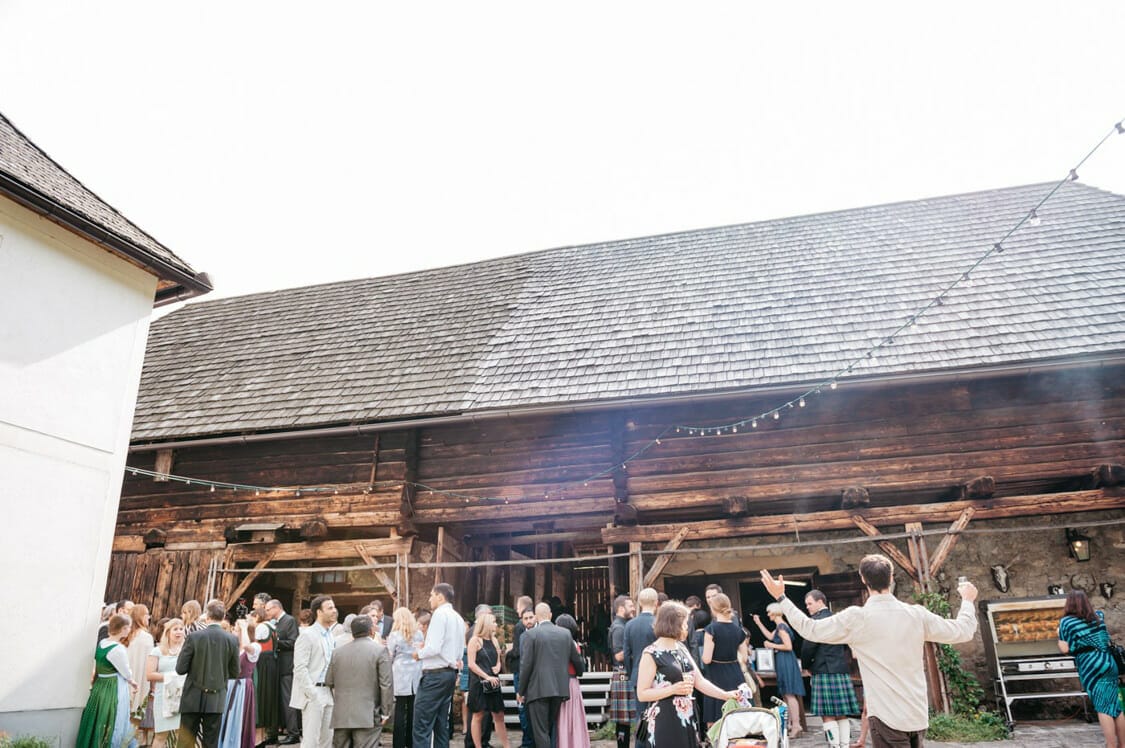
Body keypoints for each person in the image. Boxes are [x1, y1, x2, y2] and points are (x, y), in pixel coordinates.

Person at [761, 555, 978, 748]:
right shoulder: (916, 614)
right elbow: (963, 631)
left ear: (863, 580)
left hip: (886, 717)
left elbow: (810, 629)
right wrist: (967, 601)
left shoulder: (858, 618)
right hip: (917, 714)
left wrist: (782, 598)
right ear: (891, 578)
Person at [635, 601, 739, 748]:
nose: (687, 627)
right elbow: (642, 693)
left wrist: (726, 695)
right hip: (664, 720)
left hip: (687, 717)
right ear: (674, 623)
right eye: (684, 623)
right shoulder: (650, 653)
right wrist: (672, 689)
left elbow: (700, 682)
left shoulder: (681, 648)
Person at [1057, 589, 1125, 747]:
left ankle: (1111, 745)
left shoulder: (1066, 622)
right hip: (1108, 661)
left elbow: (1066, 649)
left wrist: (1059, 635)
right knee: (1115, 705)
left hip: (1092, 665)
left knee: (1103, 707)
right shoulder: (1099, 617)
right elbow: (1105, 638)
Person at [517, 602, 586, 748]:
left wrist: (521, 690)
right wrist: (579, 671)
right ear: (550, 615)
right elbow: (577, 661)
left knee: (541, 732)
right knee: (549, 729)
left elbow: (526, 665)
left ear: (536, 616)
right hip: (560, 689)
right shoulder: (565, 634)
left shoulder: (531, 635)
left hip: (538, 690)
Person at [176, 599, 242, 748]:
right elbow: (234, 672)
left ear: (207, 616)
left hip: (192, 696)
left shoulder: (194, 637)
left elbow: (180, 669)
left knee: (185, 742)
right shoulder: (232, 639)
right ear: (224, 616)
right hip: (216, 697)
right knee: (211, 743)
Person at [324, 615, 394, 748]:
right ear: (371, 631)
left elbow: (329, 680)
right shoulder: (379, 651)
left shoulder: (337, 652)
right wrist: (386, 712)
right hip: (368, 714)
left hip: (341, 714)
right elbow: (386, 684)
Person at [802, 590, 860, 748]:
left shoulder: (815, 621)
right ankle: (845, 745)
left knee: (827, 714)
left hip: (823, 670)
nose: (807, 607)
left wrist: (806, 666)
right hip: (840, 669)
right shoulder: (838, 619)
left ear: (820, 601)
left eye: (810, 603)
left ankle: (834, 746)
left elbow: (808, 648)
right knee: (841, 714)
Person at [412, 583, 466, 748]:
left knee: (421, 724)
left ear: (440, 597)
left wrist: (418, 654)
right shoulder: (457, 617)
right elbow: (458, 649)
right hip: (449, 673)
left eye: (431, 595)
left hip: (435, 674)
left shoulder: (439, 614)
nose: (429, 599)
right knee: (441, 724)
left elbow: (434, 647)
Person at [77, 612, 139, 748]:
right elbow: (126, 672)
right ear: (122, 629)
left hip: (100, 686)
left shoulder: (102, 643)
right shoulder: (118, 649)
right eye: (128, 627)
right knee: (113, 719)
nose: (129, 630)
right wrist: (133, 682)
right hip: (112, 688)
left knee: (97, 717)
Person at [292, 595, 339, 748]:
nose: (334, 611)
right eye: (330, 608)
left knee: (326, 742)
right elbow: (299, 668)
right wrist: (312, 694)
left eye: (334, 607)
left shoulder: (331, 636)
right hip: (313, 693)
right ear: (319, 612)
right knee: (311, 742)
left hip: (329, 692)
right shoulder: (307, 635)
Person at [751, 604, 804, 739]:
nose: (768, 615)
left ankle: (796, 725)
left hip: (786, 660)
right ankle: (792, 724)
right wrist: (759, 623)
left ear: (775, 612)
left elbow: (788, 646)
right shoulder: (779, 626)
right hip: (783, 660)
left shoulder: (781, 627)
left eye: (769, 612)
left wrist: (771, 645)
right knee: (786, 695)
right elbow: (769, 635)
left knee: (790, 694)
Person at [700, 593, 747, 730]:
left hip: (716, 675)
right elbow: (744, 657)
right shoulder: (739, 631)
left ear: (713, 609)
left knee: (715, 719)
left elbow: (707, 659)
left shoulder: (711, 629)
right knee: (738, 715)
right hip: (736, 674)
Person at [218, 612, 264, 748]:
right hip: (228, 685)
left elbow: (246, 646)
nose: (233, 631)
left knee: (237, 718)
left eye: (236, 630)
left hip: (241, 687)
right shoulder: (233, 647)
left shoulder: (255, 647)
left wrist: (243, 628)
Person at [467, 611, 510, 748]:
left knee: (499, 715)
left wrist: (497, 666)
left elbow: (497, 659)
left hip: (493, 682)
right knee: (478, 715)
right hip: (479, 683)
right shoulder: (474, 640)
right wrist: (487, 676)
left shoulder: (494, 640)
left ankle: (507, 746)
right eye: (494, 622)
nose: (496, 624)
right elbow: (471, 664)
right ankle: (478, 746)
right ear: (486, 624)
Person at [266, 598, 303, 745]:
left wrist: (275, 642)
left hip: (287, 667)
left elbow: (294, 642)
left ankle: (293, 733)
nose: (267, 612)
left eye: (268, 610)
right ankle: (273, 732)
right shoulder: (273, 623)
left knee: (288, 701)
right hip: (276, 667)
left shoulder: (289, 621)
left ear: (276, 608)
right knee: (275, 702)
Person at [387, 607, 423, 748]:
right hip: (415, 672)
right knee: (414, 709)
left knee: (400, 709)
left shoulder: (394, 635)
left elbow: (390, 655)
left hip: (400, 673)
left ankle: (399, 743)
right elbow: (420, 652)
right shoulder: (419, 634)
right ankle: (411, 741)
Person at [146, 618, 186, 748]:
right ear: (168, 632)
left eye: (181, 629)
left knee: (182, 735)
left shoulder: (187, 651)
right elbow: (149, 674)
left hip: (182, 696)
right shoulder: (157, 651)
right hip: (163, 697)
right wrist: (172, 677)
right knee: (161, 735)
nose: (179, 632)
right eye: (175, 629)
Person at [623, 588, 659, 730]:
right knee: (659, 715)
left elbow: (626, 654)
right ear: (656, 603)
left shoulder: (630, 625)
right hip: (659, 674)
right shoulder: (659, 623)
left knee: (641, 716)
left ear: (639, 603)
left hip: (638, 674)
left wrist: (632, 672)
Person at [554, 615, 590, 748]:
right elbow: (580, 668)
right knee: (573, 717)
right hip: (571, 681)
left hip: (560, 682)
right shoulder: (573, 644)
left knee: (562, 717)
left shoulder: (556, 643)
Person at [607, 595, 635, 748]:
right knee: (623, 721)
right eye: (630, 606)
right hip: (622, 674)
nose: (633, 609)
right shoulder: (619, 627)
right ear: (620, 609)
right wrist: (637, 648)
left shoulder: (625, 625)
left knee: (625, 720)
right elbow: (618, 655)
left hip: (624, 674)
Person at [252, 605, 282, 746]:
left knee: (262, 696)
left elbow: (255, 645)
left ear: (257, 617)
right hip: (272, 662)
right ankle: (265, 735)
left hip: (263, 662)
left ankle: (260, 737)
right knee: (268, 696)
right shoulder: (272, 628)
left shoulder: (261, 628)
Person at [126, 604, 155, 745]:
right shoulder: (147, 638)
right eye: (147, 614)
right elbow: (149, 664)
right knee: (134, 725)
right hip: (141, 683)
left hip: (125, 683)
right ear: (140, 617)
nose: (149, 617)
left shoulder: (126, 636)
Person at [509, 597, 535, 748]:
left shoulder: (520, 626)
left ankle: (527, 742)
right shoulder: (529, 626)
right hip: (527, 671)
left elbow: (518, 650)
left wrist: (508, 654)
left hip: (520, 670)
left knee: (522, 707)